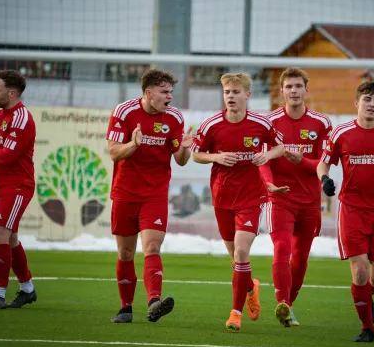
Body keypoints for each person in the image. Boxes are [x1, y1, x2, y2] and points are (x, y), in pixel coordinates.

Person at [191, 72, 285, 331]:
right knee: (236, 259)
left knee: (242, 251)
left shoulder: (260, 124)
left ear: (247, 95)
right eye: (227, 93)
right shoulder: (211, 124)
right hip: (222, 197)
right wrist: (216, 157)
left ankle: (235, 314)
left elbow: (280, 146)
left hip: (251, 197)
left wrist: (266, 157)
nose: (230, 97)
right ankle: (250, 287)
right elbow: (196, 155)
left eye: (235, 92)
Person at [317, 80, 374, 343]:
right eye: (367, 99)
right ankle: (368, 329)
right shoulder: (341, 133)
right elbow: (323, 164)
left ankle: (366, 297)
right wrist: (325, 180)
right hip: (352, 210)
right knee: (359, 272)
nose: (372, 105)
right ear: (357, 103)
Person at [106, 69, 193, 324]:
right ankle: (125, 308)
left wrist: (185, 148)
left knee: (152, 246)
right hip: (125, 192)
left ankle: (154, 300)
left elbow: (180, 160)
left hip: (155, 193)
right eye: (165, 92)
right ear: (149, 92)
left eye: (171, 92)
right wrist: (133, 145)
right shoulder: (124, 112)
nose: (170, 97)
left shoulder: (174, 117)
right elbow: (113, 153)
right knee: (125, 253)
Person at [259, 67, 332, 327]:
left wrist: (302, 160)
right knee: (282, 248)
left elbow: (323, 165)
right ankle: (282, 303)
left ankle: (288, 306)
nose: (293, 91)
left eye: (298, 86)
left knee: (300, 259)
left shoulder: (321, 124)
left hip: (310, 201)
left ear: (306, 90)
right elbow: (264, 160)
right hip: (280, 198)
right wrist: (268, 184)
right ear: (281, 91)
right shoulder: (270, 123)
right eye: (288, 86)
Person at [0, 70, 37, 309]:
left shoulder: (21, 118)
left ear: (11, 93)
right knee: (10, 238)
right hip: (0, 184)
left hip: (18, 186)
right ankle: (27, 289)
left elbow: (5, 157)